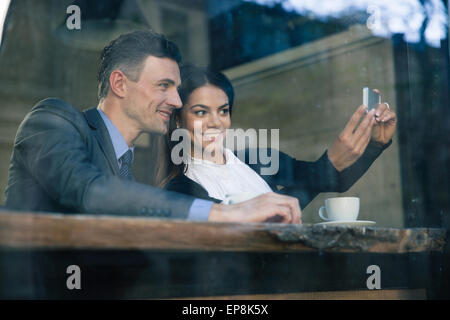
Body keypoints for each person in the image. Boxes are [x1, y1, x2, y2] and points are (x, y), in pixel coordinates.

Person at [4, 31, 301, 224]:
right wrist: (224, 212)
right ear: (119, 83)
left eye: (177, 88)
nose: (175, 100)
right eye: (164, 86)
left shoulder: (131, 170)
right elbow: (89, 191)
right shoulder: (53, 119)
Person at [163, 65, 397, 209]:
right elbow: (242, 229)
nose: (216, 122)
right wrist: (330, 162)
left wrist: (374, 145)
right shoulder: (180, 189)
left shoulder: (258, 159)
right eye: (201, 112)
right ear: (177, 120)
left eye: (223, 111)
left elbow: (332, 180)